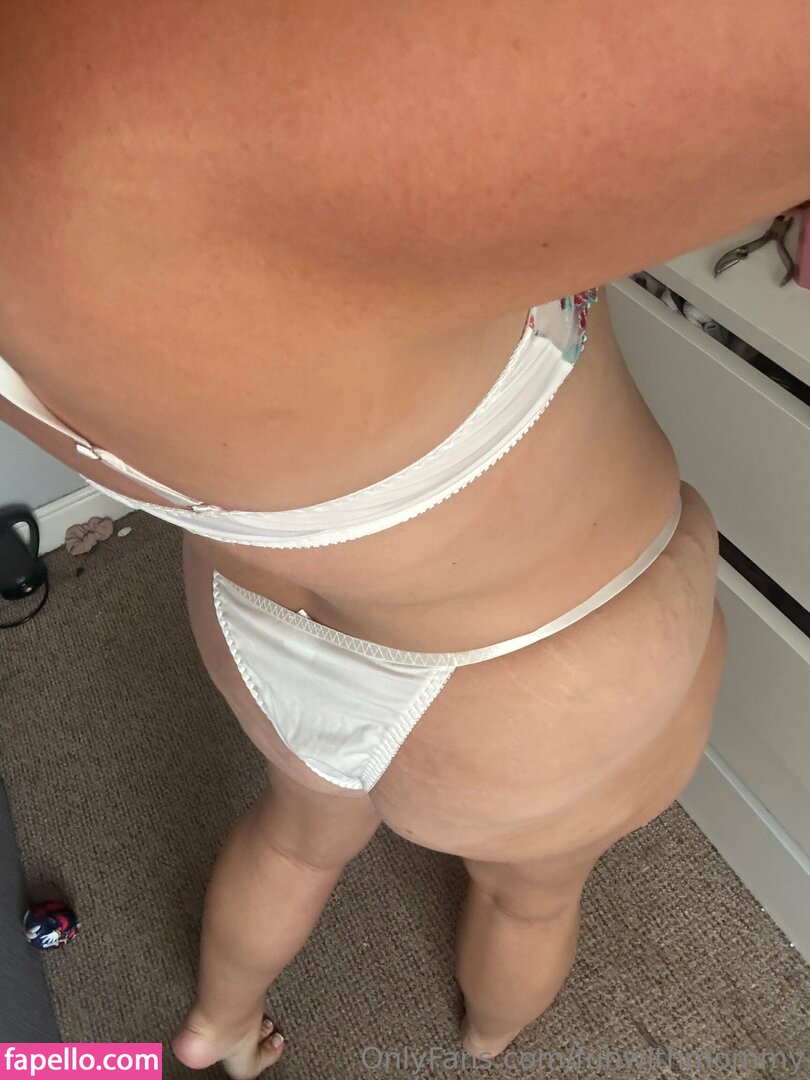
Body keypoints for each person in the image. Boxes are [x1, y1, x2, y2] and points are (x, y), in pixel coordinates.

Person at [1, 3, 807, 1076]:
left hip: (256, 606)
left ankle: (219, 1024)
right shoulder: (267, 98)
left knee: (299, 832)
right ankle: (487, 1037)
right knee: (530, 899)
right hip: (523, 674)